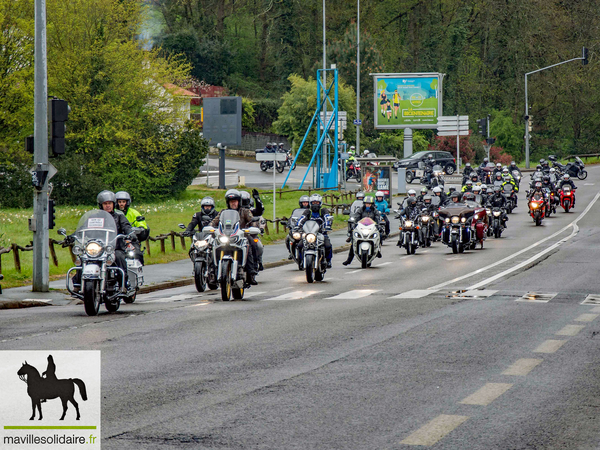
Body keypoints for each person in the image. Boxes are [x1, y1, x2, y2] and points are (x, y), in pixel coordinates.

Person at [210, 189, 259, 285]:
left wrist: (253, 226)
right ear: (228, 203)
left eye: (235, 201)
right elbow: (215, 221)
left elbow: (252, 220)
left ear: (239, 202)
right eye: (231, 202)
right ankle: (213, 273)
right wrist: (210, 227)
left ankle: (251, 273)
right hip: (226, 236)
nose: (233, 203)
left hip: (242, 236)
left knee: (252, 244)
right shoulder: (223, 212)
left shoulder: (244, 211)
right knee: (212, 246)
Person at [297, 194, 333, 268]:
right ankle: (301, 261)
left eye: (317, 203)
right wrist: (297, 226)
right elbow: (302, 219)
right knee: (300, 246)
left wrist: (328, 225)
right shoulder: (308, 212)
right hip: (309, 234)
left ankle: (328, 260)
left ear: (320, 203)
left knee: (328, 246)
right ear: (310, 203)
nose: (315, 204)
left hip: (321, 233)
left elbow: (327, 218)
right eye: (313, 203)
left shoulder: (323, 211)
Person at [343, 196, 381, 265]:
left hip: (371, 228)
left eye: (369, 204)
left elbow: (377, 218)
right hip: (362, 228)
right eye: (366, 204)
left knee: (379, 234)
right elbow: (356, 217)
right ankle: (349, 260)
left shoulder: (375, 211)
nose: (368, 205)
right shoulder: (360, 210)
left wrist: (378, 225)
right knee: (353, 241)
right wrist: (354, 223)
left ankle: (378, 250)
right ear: (364, 204)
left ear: (372, 204)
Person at [115, 191, 149, 264]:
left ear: (127, 202)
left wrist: (139, 229)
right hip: (114, 240)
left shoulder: (134, 213)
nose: (121, 204)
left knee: (137, 253)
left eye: (123, 202)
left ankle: (138, 270)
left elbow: (142, 223)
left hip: (130, 239)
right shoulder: (112, 213)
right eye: (119, 201)